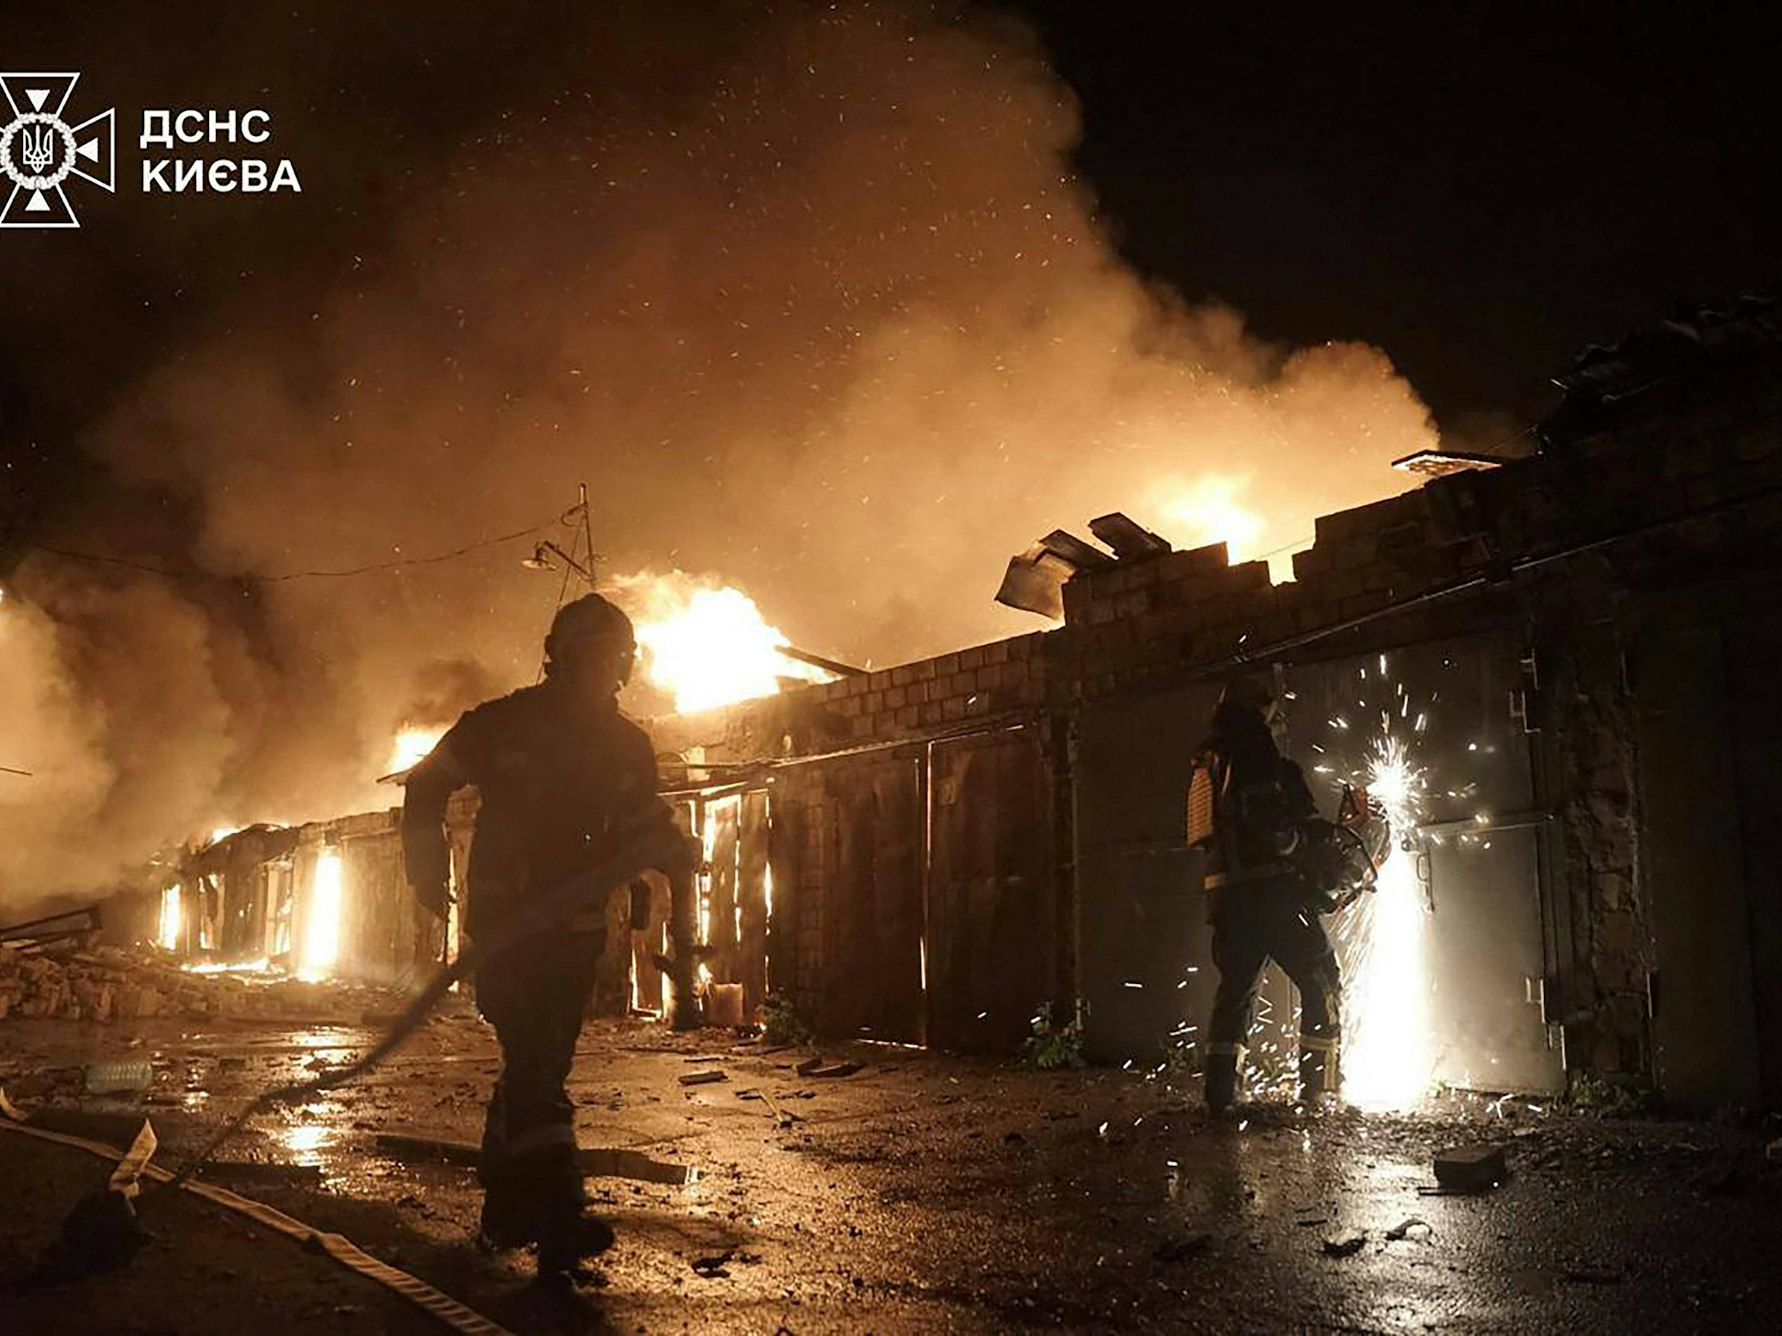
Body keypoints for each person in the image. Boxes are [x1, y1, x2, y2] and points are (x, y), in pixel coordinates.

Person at [400, 592, 697, 1281]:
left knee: (539, 1066)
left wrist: (661, 867)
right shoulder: (503, 724)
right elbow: (426, 783)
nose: (594, 671)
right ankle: (560, 1212)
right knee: (536, 1063)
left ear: (622, 666)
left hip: (577, 932)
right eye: (582, 657)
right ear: (556, 658)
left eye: (606, 659)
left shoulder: (628, 746)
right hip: (507, 931)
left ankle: (504, 1209)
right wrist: (425, 863)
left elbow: (637, 822)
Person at [1187, 673, 1341, 1113]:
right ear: (1258, 707)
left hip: (1226, 897)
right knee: (1321, 977)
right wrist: (1305, 854)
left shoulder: (1208, 758)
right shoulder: (1252, 745)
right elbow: (1270, 825)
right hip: (1269, 892)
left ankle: (1221, 1095)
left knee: (1235, 990)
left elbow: (1211, 833)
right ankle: (1319, 1089)